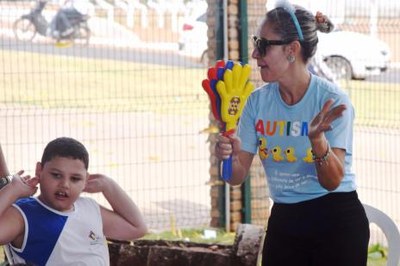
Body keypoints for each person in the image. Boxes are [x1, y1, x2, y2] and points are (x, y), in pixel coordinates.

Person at [215, 1, 369, 265]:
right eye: (255, 42)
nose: (254, 53)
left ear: (292, 50)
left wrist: (318, 141)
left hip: (336, 222)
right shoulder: (256, 102)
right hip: (285, 221)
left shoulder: (331, 101)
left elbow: (332, 182)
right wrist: (227, 157)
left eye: (263, 44)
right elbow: (235, 177)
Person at [0, 137, 147, 265]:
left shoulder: (90, 208)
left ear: (85, 180)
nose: (65, 184)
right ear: (39, 171)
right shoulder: (23, 215)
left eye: (75, 179)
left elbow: (137, 228)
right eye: (56, 175)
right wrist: (12, 190)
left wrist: (108, 185)